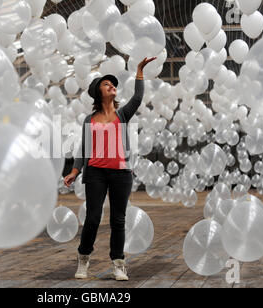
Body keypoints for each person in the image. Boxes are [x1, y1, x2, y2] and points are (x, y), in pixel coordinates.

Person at [64, 57, 156, 281]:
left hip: (121, 174)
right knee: (93, 218)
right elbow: (84, 148)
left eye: (112, 84)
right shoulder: (89, 120)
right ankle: (83, 258)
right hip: (95, 172)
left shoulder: (122, 115)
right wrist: (75, 172)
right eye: (107, 84)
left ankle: (118, 263)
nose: (112, 86)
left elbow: (137, 97)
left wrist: (139, 71)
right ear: (99, 93)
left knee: (118, 219)